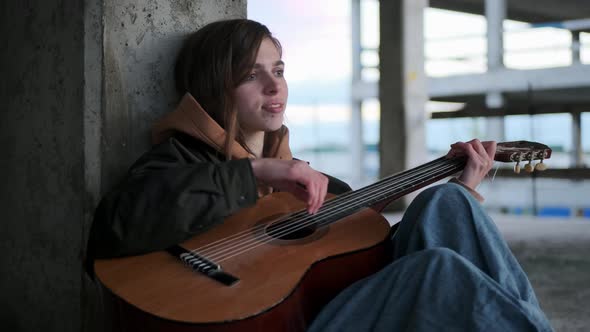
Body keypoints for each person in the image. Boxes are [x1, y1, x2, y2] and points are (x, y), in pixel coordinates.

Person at [86, 19, 553, 331]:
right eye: (252, 75)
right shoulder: (182, 157)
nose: (275, 86)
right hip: (279, 321)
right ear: (215, 86)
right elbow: (118, 223)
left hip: (321, 305)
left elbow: (364, 249)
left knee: (446, 203)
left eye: (280, 70)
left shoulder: (298, 180)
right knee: (437, 270)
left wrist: (463, 185)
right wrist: (256, 171)